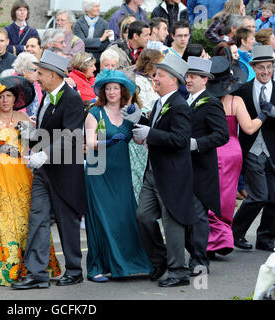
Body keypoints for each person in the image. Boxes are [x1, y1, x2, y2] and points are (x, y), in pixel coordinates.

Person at [0, 75, 61, 286]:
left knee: (24, 219)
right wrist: (2, 148)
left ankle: (30, 267)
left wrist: (31, 134)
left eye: (9, 96)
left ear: (15, 99)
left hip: (21, 174)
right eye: (1, 97)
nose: (5, 100)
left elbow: (34, 146)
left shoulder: (24, 119)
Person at [12, 50, 87, 289]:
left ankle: (74, 270)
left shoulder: (72, 98)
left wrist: (45, 154)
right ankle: (37, 273)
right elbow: (47, 132)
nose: (37, 78)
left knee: (67, 223)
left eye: (41, 73)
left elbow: (71, 135)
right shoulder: (46, 96)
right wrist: (30, 136)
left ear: (54, 75)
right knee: (38, 220)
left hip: (64, 172)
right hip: (43, 172)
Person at [131, 54, 196, 287]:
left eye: (158, 75)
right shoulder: (160, 102)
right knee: (143, 216)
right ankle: (160, 260)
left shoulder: (179, 105)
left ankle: (178, 271)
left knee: (172, 223)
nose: (154, 78)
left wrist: (151, 134)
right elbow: (157, 130)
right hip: (154, 171)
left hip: (172, 174)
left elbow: (180, 139)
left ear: (172, 79)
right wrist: (140, 124)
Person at [84, 68, 152, 282]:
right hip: (98, 171)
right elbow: (89, 143)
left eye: (116, 88)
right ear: (103, 91)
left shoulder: (128, 112)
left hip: (121, 172)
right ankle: (96, 267)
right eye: (108, 88)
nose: (112, 91)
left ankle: (129, 262)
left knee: (124, 216)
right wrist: (108, 142)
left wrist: (141, 121)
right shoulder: (94, 112)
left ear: (123, 90)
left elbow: (140, 140)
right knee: (101, 218)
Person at [205, 53, 262, 257]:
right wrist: (262, 116)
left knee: (208, 195)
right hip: (231, 152)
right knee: (227, 198)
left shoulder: (203, 101)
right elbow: (248, 128)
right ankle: (221, 239)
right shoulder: (235, 101)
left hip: (209, 151)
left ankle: (209, 240)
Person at [184, 56, 229, 276]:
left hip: (202, 169)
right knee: (186, 216)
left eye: (193, 77)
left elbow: (222, 135)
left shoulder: (211, 102)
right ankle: (194, 255)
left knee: (199, 217)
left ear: (205, 80)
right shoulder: (185, 101)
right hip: (183, 169)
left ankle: (200, 261)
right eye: (187, 76)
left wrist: (197, 144)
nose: (188, 80)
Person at [232, 45, 275, 252]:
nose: (265, 71)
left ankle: (265, 238)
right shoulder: (243, 90)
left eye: (269, 67)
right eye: (261, 68)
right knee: (259, 195)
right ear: (254, 68)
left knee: (274, 197)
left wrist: (272, 111)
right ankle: (233, 233)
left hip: (273, 150)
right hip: (251, 150)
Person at [130, 49, 163, 203]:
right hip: (142, 129)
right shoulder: (139, 81)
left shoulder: (152, 79)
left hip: (153, 129)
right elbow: (142, 105)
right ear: (151, 64)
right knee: (138, 174)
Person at [73, 0, 112, 71]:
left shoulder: (104, 24)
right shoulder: (78, 23)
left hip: (98, 61)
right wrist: (100, 40)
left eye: (99, 6)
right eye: (96, 6)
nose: (99, 8)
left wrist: (88, 45)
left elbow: (105, 45)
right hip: (81, 61)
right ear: (87, 9)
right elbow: (80, 42)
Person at [12, 52, 43, 117]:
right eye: (35, 70)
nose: (38, 73)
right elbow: (19, 113)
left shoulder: (35, 82)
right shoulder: (13, 86)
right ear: (24, 71)